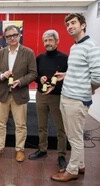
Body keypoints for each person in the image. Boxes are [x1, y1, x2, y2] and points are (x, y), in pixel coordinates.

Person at [51, 13, 100, 182]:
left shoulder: (91, 46)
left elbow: (98, 76)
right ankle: (79, 165)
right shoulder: (75, 47)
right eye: (68, 25)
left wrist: (86, 90)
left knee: (74, 137)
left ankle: (71, 171)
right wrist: (66, 75)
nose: (70, 27)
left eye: (73, 23)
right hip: (67, 96)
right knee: (74, 135)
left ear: (83, 25)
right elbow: (79, 71)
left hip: (76, 100)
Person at [0, 25, 37, 162]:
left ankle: (19, 149)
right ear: (5, 38)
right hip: (2, 94)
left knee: (20, 124)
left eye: (14, 35)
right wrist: (2, 75)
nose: (12, 38)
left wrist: (21, 81)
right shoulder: (0, 53)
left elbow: (33, 73)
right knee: (0, 123)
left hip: (19, 93)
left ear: (19, 35)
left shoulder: (28, 52)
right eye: (9, 36)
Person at [28, 30, 68, 171]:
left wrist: (56, 84)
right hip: (41, 95)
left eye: (50, 40)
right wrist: (40, 79)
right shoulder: (39, 58)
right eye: (45, 41)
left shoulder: (65, 58)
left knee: (60, 128)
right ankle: (42, 149)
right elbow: (34, 75)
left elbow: (68, 78)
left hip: (57, 97)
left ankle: (61, 155)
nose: (48, 43)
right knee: (41, 126)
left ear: (57, 41)